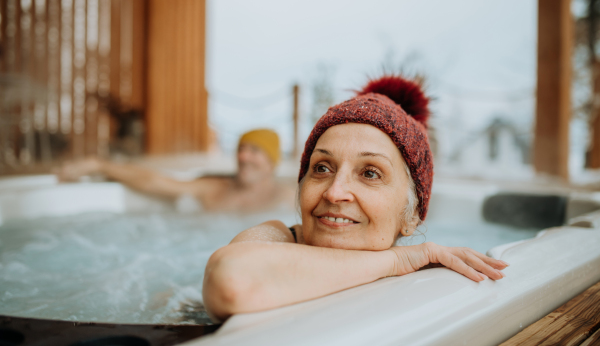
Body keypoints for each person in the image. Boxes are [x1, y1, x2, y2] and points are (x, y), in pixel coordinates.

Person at [202, 75, 509, 322]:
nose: (334, 192)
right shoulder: (275, 237)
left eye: (370, 173)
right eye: (322, 168)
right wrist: (396, 259)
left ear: (411, 216)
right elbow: (231, 280)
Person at [56, 129, 295, 212]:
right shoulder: (213, 188)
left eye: (255, 150)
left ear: (272, 161)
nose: (243, 156)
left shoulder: (288, 196)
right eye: (241, 149)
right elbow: (154, 182)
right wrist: (100, 165)